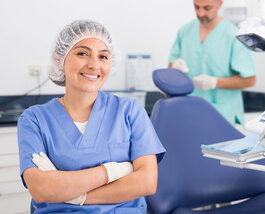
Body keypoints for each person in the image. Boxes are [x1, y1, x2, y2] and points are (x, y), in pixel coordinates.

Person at [17, 20, 166, 214]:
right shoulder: (34, 120)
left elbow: (146, 182)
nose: (94, 65)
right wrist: (114, 171)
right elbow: (41, 189)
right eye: (82, 53)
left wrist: (77, 196)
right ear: (59, 60)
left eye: (103, 56)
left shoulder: (130, 111)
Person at [169, 0, 256, 126]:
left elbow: (250, 79)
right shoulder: (185, 31)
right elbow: (171, 66)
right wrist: (174, 67)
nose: (200, 13)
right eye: (196, 7)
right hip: (189, 112)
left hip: (222, 116)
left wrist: (215, 82)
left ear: (219, 4)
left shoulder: (233, 35)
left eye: (207, 8)